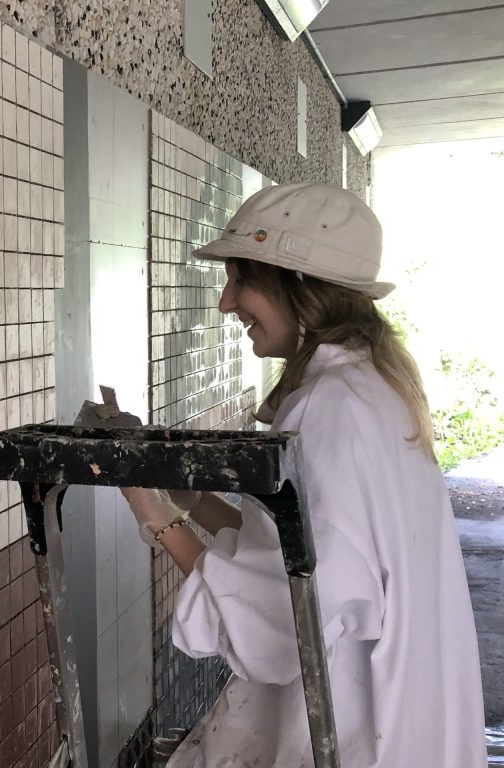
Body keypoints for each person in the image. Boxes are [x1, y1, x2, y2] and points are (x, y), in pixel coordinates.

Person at [123, 183, 487, 766]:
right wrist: (191, 499)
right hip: (406, 724)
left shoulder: (327, 408)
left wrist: (151, 511)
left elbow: (278, 622)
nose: (226, 303)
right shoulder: (371, 387)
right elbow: (306, 546)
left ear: (297, 285)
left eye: (241, 280)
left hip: (358, 734)